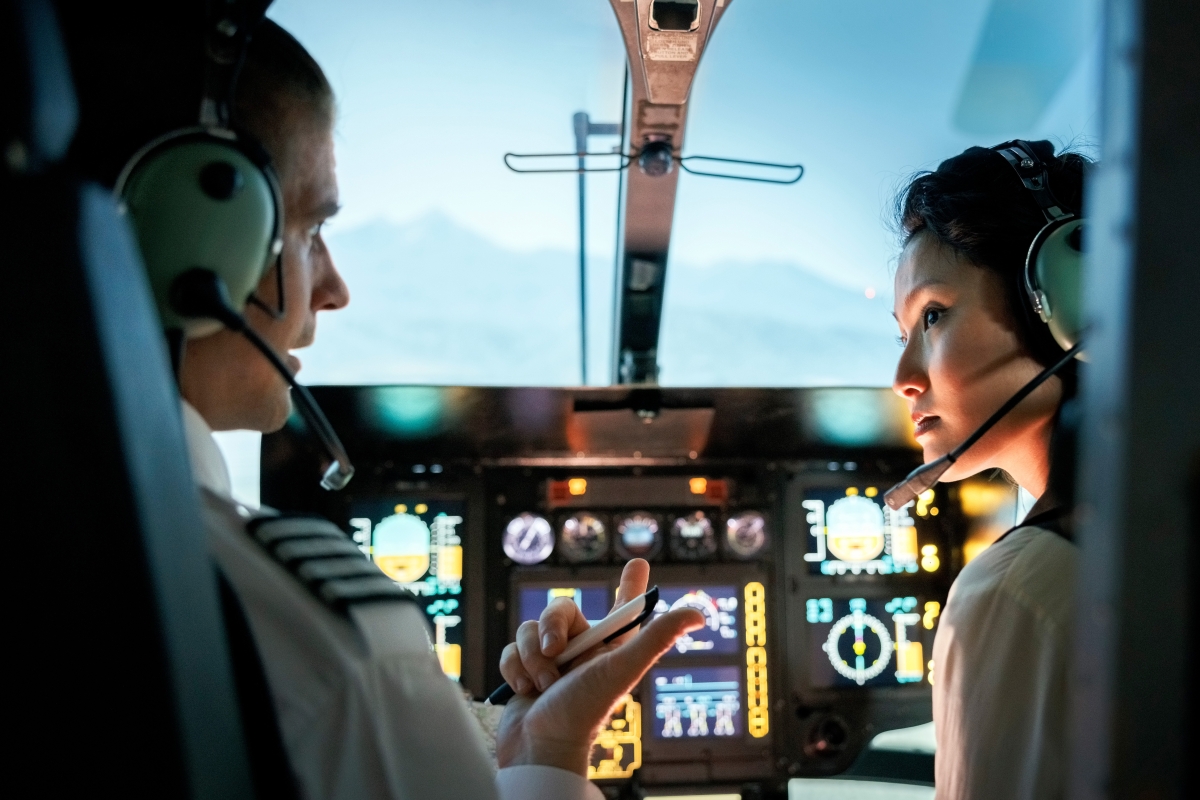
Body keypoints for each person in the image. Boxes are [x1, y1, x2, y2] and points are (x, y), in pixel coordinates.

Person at [174, 20, 703, 799]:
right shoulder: (325, 645)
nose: (334, 288)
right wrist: (548, 764)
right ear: (187, 233)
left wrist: (540, 741)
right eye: (312, 228)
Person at [891, 140, 1088, 799]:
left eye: (934, 316)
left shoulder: (1016, 593)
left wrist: (560, 755)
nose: (903, 379)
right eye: (904, 334)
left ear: (1069, 307)